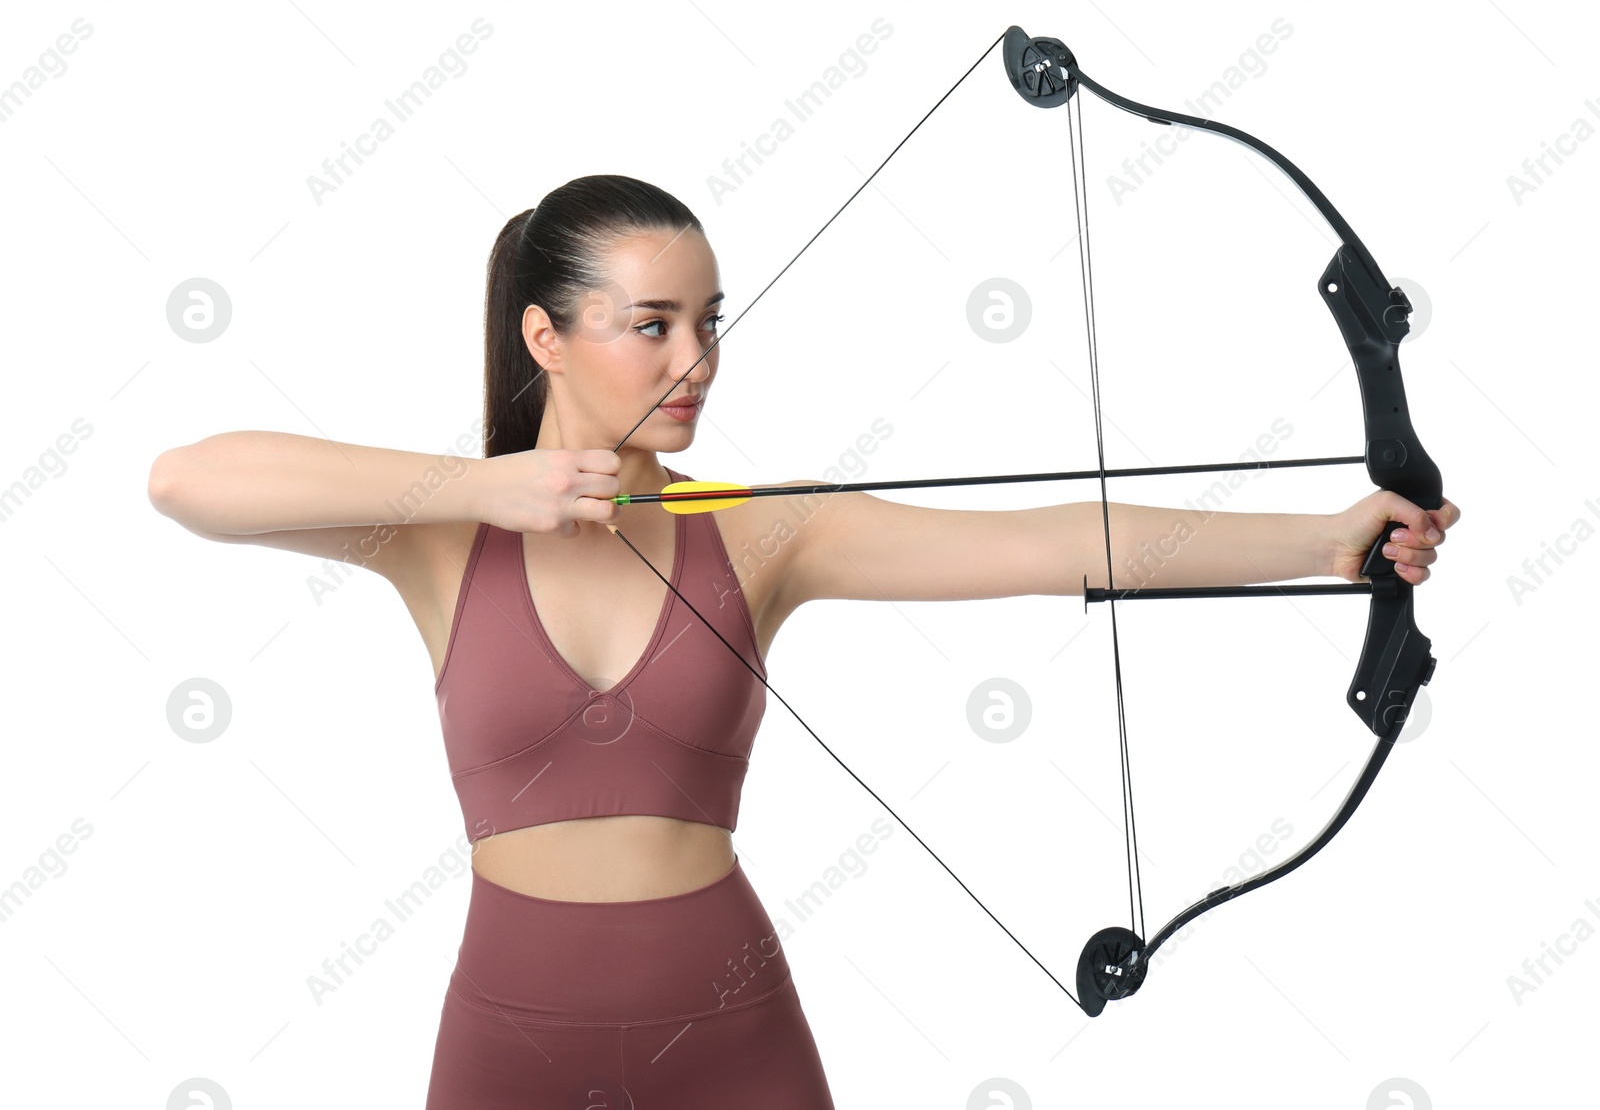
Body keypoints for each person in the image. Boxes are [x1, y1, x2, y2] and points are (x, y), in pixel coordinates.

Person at [147, 174, 1459, 1105]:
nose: (698, 356)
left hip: (730, 1027)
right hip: (510, 1036)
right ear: (543, 335)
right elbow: (185, 479)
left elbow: (1053, 541)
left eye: (710, 319)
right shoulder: (440, 539)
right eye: (652, 324)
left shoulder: (762, 535)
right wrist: (476, 486)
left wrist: (1330, 537)